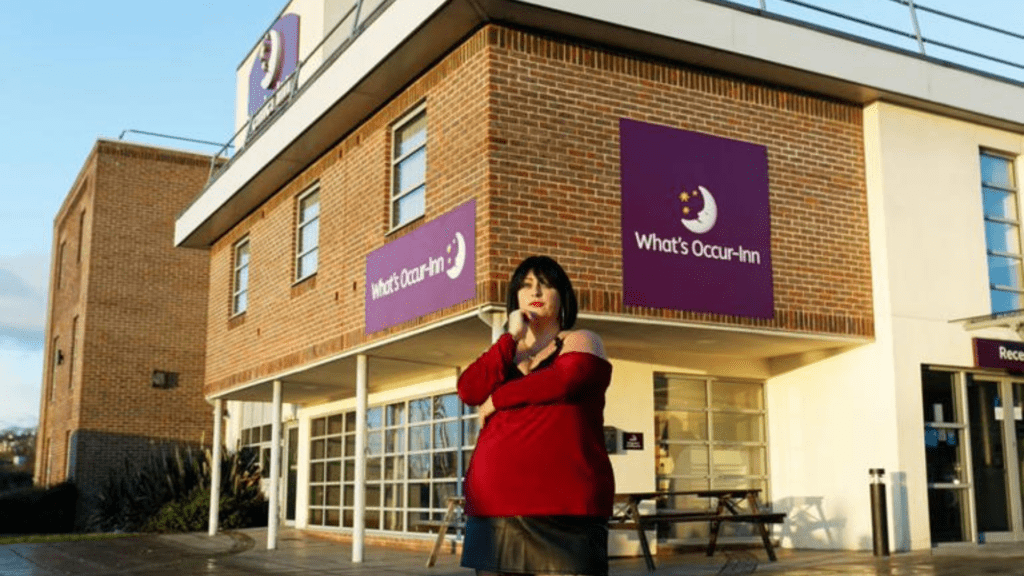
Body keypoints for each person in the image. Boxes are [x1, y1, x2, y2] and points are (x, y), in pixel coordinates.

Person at [458, 255, 615, 576]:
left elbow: (565, 381)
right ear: (515, 297)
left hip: (564, 505)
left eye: (546, 284)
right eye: (526, 285)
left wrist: (498, 399)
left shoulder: (581, 340)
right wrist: (509, 337)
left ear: (562, 296)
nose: (536, 291)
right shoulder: (505, 353)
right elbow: (469, 390)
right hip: (494, 505)